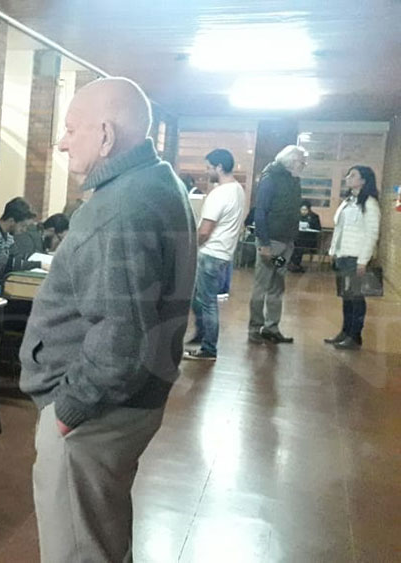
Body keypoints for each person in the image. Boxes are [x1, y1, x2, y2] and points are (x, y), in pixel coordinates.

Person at [18, 77, 196, 562]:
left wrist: (69, 412)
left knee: (77, 550)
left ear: (106, 135)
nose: (61, 142)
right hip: (129, 402)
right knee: (101, 536)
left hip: (94, 415)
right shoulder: (156, 183)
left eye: (71, 129)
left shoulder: (118, 209)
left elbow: (121, 339)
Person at [185, 148, 247, 361]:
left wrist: (190, 248)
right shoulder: (238, 190)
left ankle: (209, 348)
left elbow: (205, 231)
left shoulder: (219, 193)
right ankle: (202, 335)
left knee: (208, 302)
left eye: (209, 167)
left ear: (219, 167)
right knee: (198, 297)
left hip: (210, 253)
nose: (206, 171)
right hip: (223, 253)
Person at [248, 144, 306, 344]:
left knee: (277, 284)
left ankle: (271, 328)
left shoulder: (294, 180)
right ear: (291, 161)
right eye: (302, 162)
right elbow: (260, 212)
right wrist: (264, 243)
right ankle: (255, 327)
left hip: (286, 243)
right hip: (270, 243)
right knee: (262, 285)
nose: (303, 166)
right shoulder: (270, 178)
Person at [325, 165, 381, 349]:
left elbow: (372, 234)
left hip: (355, 258)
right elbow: (339, 229)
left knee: (356, 299)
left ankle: (355, 336)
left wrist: (363, 261)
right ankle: (345, 331)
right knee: (346, 297)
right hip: (343, 255)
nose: (348, 177)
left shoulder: (369, 203)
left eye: (353, 175)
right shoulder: (348, 201)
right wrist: (333, 251)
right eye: (348, 174)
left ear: (363, 180)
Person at [288, 200, 322, 272]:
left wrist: (310, 226)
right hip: (298, 238)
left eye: (305, 210)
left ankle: (295, 264)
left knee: (299, 245)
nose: (303, 211)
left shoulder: (314, 217)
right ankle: (293, 264)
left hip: (310, 239)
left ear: (309, 210)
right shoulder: (297, 216)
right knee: (293, 244)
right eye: (302, 210)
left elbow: (318, 229)